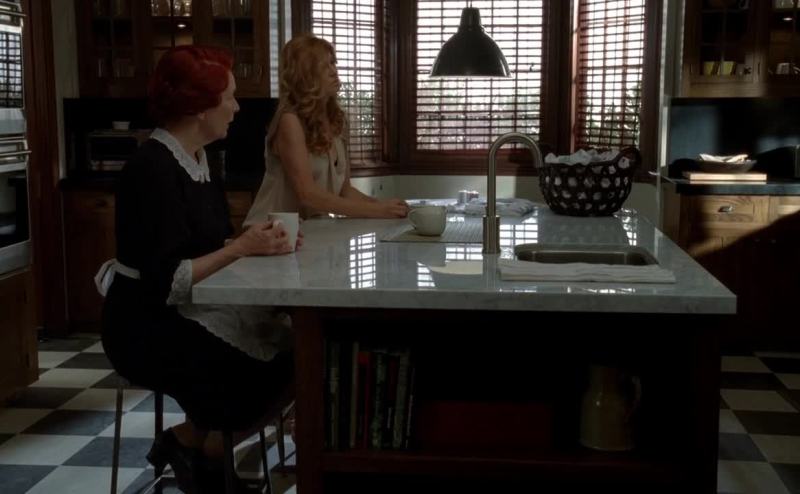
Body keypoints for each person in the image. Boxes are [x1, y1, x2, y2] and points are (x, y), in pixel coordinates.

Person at [98, 46, 296, 493]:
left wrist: (257, 243)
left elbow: (205, 247)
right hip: (143, 324)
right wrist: (240, 247)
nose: (237, 107)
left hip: (182, 308)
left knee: (291, 345)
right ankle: (204, 455)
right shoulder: (152, 169)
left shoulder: (199, 160)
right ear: (199, 106)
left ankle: (196, 449)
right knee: (259, 368)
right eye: (229, 96)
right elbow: (166, 279)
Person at [244, 34, 408, 225]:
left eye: (333, 63)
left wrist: (385, 206)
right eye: (324, 66)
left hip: (308, 230)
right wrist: (377, 211)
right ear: (305, 75)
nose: (334, 71)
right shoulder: (290, 121)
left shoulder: (337, 121)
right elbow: (307, 194)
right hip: (270, 230)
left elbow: (344, 191)